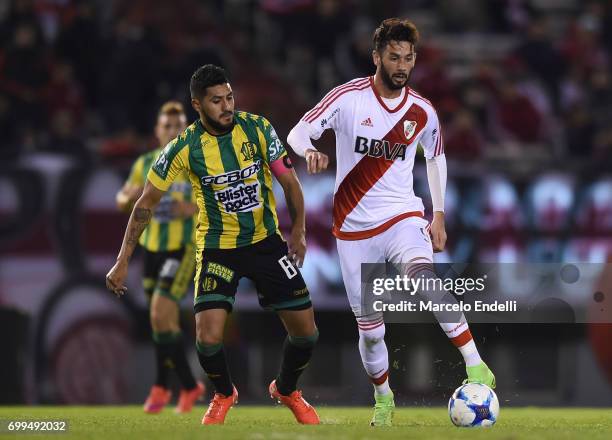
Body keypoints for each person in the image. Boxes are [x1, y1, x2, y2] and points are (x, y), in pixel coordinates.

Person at [286, 18, 496, 427]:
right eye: (394, 57)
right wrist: (309, 151)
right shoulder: (347, 99)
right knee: (371, 331)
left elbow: (435, 157)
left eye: (408, 58)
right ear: (377, 56)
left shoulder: (422, 111)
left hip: (403, 215)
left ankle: (475, 364)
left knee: (425, 279)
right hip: (352, 228)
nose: (402, 65)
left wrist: (437, 213)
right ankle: (383, 397)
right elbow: (297, 133)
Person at [106, 65, 320, 425]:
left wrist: (298, 231)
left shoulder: (258, 127)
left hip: (266, 243)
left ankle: (286, 389)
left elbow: (290, 181)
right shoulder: (184, 147)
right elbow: (145, 204)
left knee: (307, 334)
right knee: (207, 337)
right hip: (218, 249)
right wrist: (122, 260)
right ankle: (223, 394)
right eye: (216, 101)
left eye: (230, 97)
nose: (227, 106)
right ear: (197, 105)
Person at [115, 101, 204, 414]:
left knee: (159, 312)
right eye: (167, 126)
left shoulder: (196, 161)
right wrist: (129, 196)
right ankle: (186, 386)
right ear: (157, 131)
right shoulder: (145, 163)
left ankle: (162, 386)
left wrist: (191, 208)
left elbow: (217, 201)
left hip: (182, 249)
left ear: (185, 129)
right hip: (151, 249)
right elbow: (123, 198)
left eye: (178, 125)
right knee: (161, 321)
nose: (172, 130)